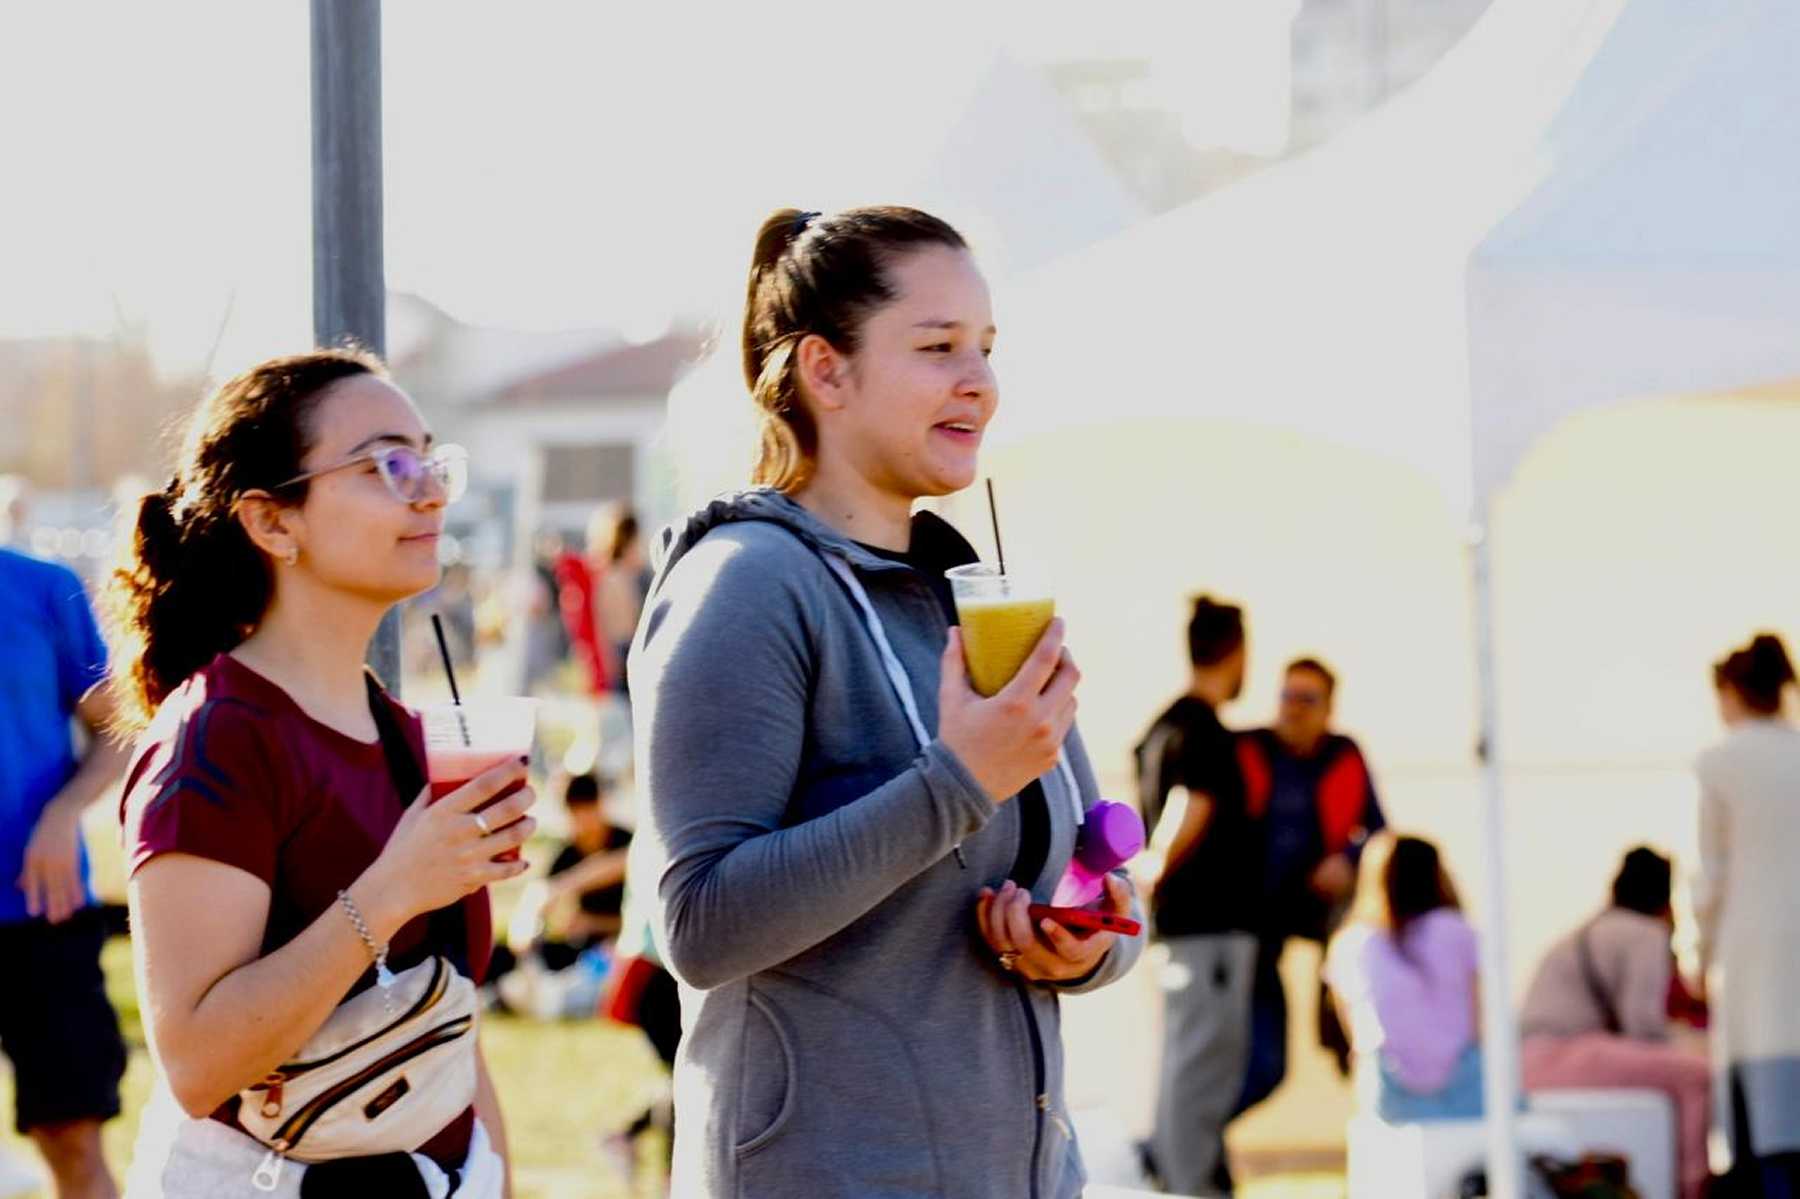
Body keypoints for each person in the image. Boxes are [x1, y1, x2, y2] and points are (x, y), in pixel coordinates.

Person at [633, 206, 1144, 1198]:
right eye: (938, 347)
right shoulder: (746, 586)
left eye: (988, 349)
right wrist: (957, 782)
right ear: (826, 370)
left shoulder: (977, 597)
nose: (980, 384)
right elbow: (699, 925)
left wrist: (1081, 938)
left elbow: (1101, 873)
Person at [102, 350, 536, 1197]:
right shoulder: (217, 739)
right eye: (387, 464)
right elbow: (195, 1061)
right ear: (272, 522)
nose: (432, 491)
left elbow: (447, 1023)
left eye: (432, 458)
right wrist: (395, 888)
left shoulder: (410, 736)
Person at [0, 544, 130, 1198]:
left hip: (42, 915)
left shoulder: (43, 589)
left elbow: (120, 727)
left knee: (74, 1144)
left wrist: (64, 810)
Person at [1135, 596, 1262, 1196]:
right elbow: (1193, 800)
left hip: (1184, 933)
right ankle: (1190, 1186)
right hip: (1205, 932)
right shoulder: (1200, 729)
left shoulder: (1163, 726)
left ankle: (1183, 1177)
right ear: (1236, 652)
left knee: (1187, 1065)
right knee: (1202, 1070)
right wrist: (1158, 860)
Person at [1235, 657, 1387, 1110]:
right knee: (1263, 1060)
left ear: (1328, 709)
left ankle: (1345, 1048)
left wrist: (1348, 857)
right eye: (1287, 696)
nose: (1294, 709)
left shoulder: (1344, 754)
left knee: (1350, 988)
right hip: (1257, 920)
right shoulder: (1249, 749)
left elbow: (1380, 834)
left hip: (1323, 912)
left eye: (1307, 699)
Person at [1521, 847, 1710, 1199]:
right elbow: (1643, 1025)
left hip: (1530, 1064)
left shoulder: (1588, 928)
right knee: (1696, 1075)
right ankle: (1693, 1184)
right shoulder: (1644, 933)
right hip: (1569, 1055)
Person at [1694, 632, 1800, 1193]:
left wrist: (1697, 955)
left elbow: (1709, 874)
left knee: (1766, 1140)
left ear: (1732, 692)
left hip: (1752, 963)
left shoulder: (1719, 763)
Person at [1325, 833, 1483, 1122]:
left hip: (1390, 1092)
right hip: (1465, 1088)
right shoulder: (1457, 931)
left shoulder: (1351, 942)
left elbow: (1352, 1028)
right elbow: (1479, 1019)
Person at [592, 504, 649, 697]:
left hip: (631, 643)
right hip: (620, 646)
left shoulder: (629, 573)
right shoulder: (611, 575)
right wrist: (608, 656)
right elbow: (603, 620)